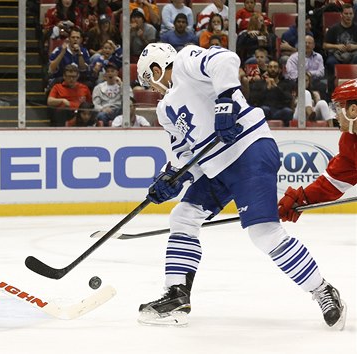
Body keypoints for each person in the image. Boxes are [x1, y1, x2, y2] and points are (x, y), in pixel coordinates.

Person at [134, 42, 346, 329]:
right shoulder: (164, 111)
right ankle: (176, 295)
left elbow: (225, 59)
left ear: (158, 69)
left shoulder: (185, 62)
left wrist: (225, 100)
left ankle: (323, 290)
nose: (152, 87)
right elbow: (186, 157)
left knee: (264, 233)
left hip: (249, 149)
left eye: (149, 79)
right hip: (215, 169)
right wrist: (171, 178)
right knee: (182, 217)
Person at [279, 78, 357, 222]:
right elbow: (333, 182)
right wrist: (301, 199)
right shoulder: (350, 141)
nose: (335, 115)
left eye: (338, 109)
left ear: (353, 110)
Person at [248, 60, 294, 126]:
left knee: (288, 111)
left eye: (275, 67)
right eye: (270, 67)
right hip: (266, 110)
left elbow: (288, 98)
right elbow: (253, 99)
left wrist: (276, 87)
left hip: (280, 110)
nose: (273, 69)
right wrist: (266, 89)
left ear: (280, 70)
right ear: (267, 69)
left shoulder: (286, 83)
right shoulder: (259, 84)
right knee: (264, 109)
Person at [92, 61, 122, 126]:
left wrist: (121, 86)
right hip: (104, 111)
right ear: (105, 74)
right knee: (101, 116)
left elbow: (129, 100)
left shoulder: (123, 86)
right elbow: (95, 104)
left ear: (117, 73)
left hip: (118, 110)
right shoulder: (98, 88)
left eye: (112, 71)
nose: (110, 73)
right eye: (108, 71)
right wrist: (102, 109)